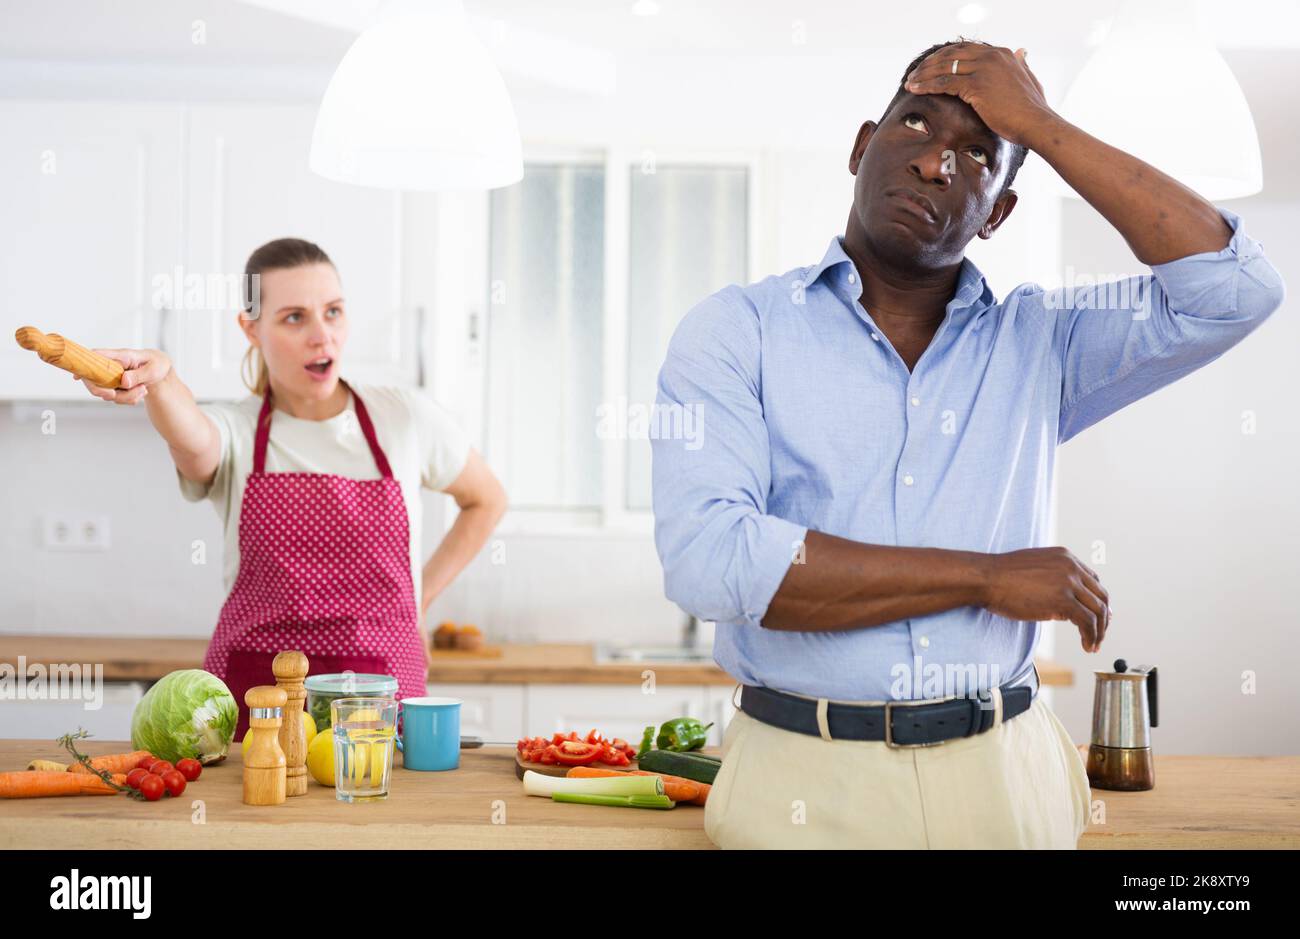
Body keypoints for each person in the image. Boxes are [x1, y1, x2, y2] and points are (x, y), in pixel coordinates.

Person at [651, 40, 1285, 848]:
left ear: (998, 213)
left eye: (979, 153)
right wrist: (985, 578)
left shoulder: (1043, 342)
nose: (934, 163)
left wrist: (1044, 127)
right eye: (914, 121)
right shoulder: (737, 331)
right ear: (860, 148)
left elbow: (1236, 291)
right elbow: (712, 560)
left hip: (1005, 781)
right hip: (799, 782)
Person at [81, 238, 507, 741]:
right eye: (294, 317)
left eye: (333, 312)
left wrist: (421, 602)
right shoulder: (236, 431)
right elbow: (190, 436)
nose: (321, 335)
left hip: (380, 692)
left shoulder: (402, 419)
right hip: (254, 689)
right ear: (251, 328)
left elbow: (487, 499)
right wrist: (162, 378)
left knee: (376, 812)